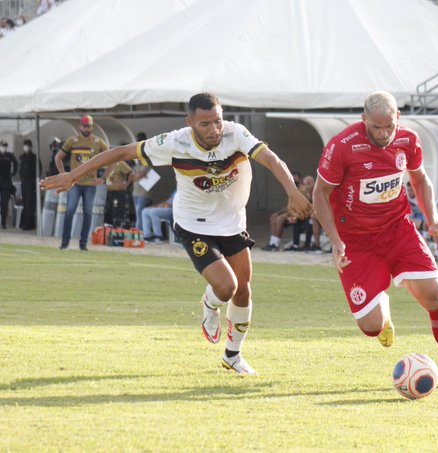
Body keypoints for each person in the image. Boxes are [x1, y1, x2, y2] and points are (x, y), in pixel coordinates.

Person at [41, 92, 311, 375]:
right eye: (205, 124)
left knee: (243, 291)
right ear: (190, 122)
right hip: (193, 224)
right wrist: (73, 175)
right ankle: (210, 304)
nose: (214, 129)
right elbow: (121, 152)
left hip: (232, 222)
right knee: (226, 287)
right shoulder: (174, 142)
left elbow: (270, 159)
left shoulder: (236, 134)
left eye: (217, 121)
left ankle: (233, 356)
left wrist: (292, 192)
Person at [313, 91, 438, 391]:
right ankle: (383, 314)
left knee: (437, 297)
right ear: (363, 120)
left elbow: (419, 179)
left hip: (398, 231)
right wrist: (336, 241)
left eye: (388, 126)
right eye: (376, 128)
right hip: (356, 241)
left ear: (397, 119)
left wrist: (432, 222)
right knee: (371, 327)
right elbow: (320, 193)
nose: (383, 134)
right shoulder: (342, 146)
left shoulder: (408, 140)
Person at [54, 114, 108, 250]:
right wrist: (63, 175)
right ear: (80, 127)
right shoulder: (73, 141)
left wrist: (104, 178)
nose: (86, 128)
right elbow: (58, 158)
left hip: (90, 184)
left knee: (88, 213)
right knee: (70, 211)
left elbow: (113, 159)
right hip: (74, 183)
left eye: (89, 126)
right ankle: (65, 242)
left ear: (92, 126)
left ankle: (83, 244)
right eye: (84, 126)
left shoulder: (98, 143)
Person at [261, 171, 303, 251]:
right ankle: (272, 243)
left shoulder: (302, 190)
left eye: (295, 179)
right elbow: (289, 206)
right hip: (291, 211)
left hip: (299, 213)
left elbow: (301, 206)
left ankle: (276, 244)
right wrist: (278, 212)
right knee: (274, 218)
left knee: (280, 219)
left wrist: (293, 215)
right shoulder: (292, 189)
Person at [130, 132, 153, 230]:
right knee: (138, 213)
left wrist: (136, 176)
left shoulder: (147, 155)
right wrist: (135, 176)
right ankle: (139, 231)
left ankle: (139, 232)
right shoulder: (136, 155)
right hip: (136, 191)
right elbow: (133, 174)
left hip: (144, 192)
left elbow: (141, 173)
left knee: (140, 212)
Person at [102, 159, 134, 227]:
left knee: (118, 214)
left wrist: (126, 185)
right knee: (108, 213)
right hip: (108, 191)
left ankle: (118, 232)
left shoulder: (120, 163)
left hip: (118, 191)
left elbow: (131, 173)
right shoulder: (106, 163)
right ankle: (109, 232)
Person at [19, 139, 41, 230]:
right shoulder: (22, 157)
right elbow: (20, 170)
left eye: (28, 145)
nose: (26, 147)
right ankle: (26, 223)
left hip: (31, 183)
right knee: (25, 203)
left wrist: (35, 181)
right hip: (24, 182)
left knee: (30, 203)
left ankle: (30, 224)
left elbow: (39, 169)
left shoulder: (35, 157)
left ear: (31, 147)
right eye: (25, 145)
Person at [0, 141, 18, 229]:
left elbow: (16, 164)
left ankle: (3, 223)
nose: (4, 148)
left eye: (5, 146)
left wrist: (13, 174)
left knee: (4, 203)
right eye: (3, 146)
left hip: (6, 180)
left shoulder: (10, 155)